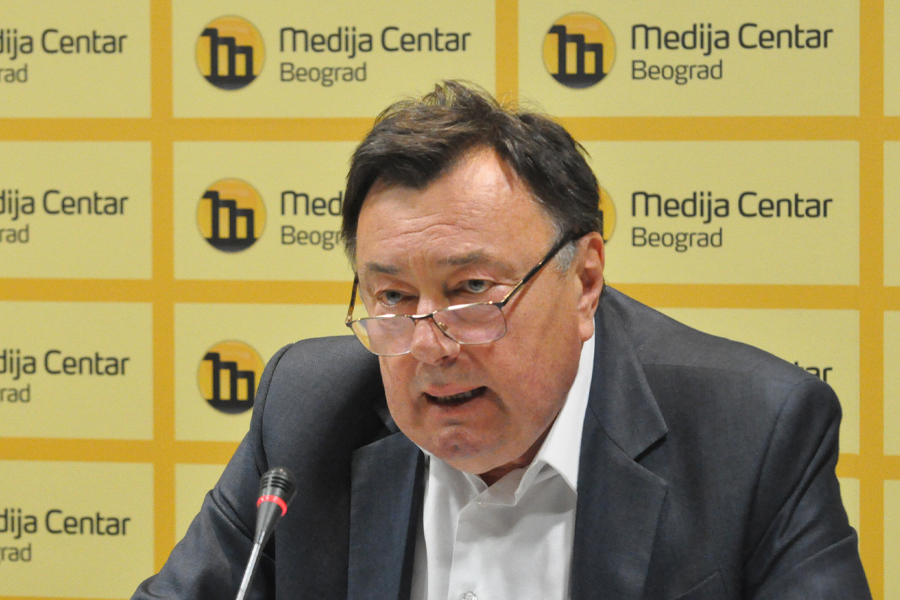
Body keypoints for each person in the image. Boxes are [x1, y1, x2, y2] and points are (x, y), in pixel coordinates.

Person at [133, 81, 871, 599]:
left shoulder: (753, 434)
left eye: (471, 291)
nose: (430, 344)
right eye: (393, 297)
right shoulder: (308, 411)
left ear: (585, 281)